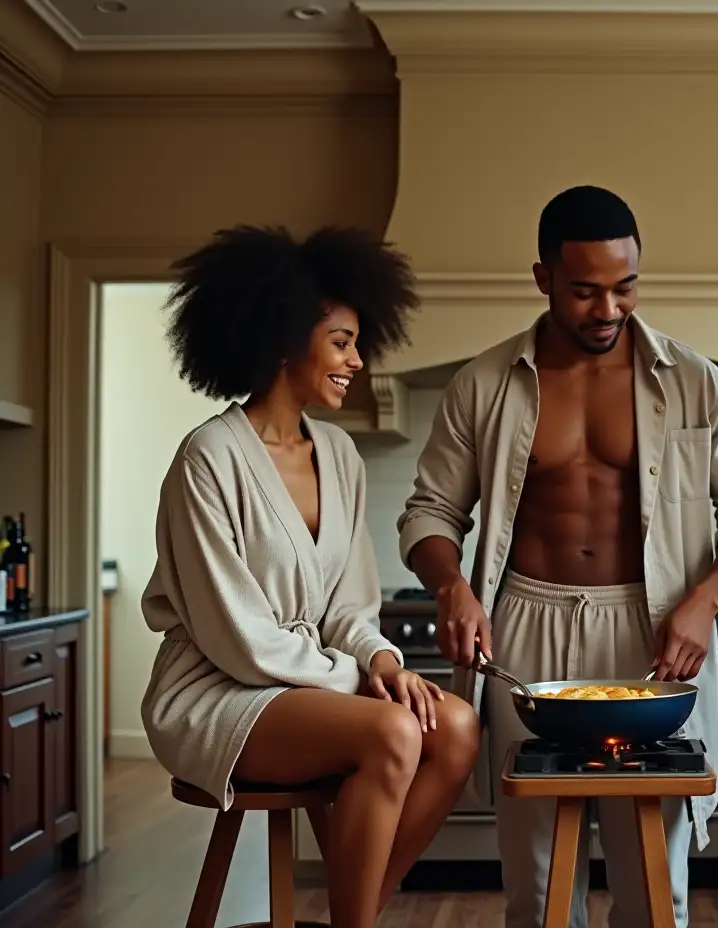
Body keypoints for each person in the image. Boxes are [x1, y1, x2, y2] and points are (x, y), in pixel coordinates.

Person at [398, 185, 718, 928]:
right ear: (542, 278)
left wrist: (704, 602)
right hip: (526, 627)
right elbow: (430, 511)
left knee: (653, 880)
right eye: (584, 292)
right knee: (540, 882)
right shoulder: (483, 383)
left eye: (625, 287)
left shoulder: (696, 383)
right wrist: (450, 585)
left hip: (652, 634)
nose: (608, 310)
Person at [140, 225, 481, 928]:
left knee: (456, 725)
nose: (357, 360)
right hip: (218, 690)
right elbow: (236, 637)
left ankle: (353, 911)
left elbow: (350, 605)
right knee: (393, 732)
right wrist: (355, 679)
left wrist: (381, 658)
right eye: (341, 341)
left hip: (310, 681)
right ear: (283, 338)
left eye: (357, 341)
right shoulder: (208, 458)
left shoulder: (340, 454)